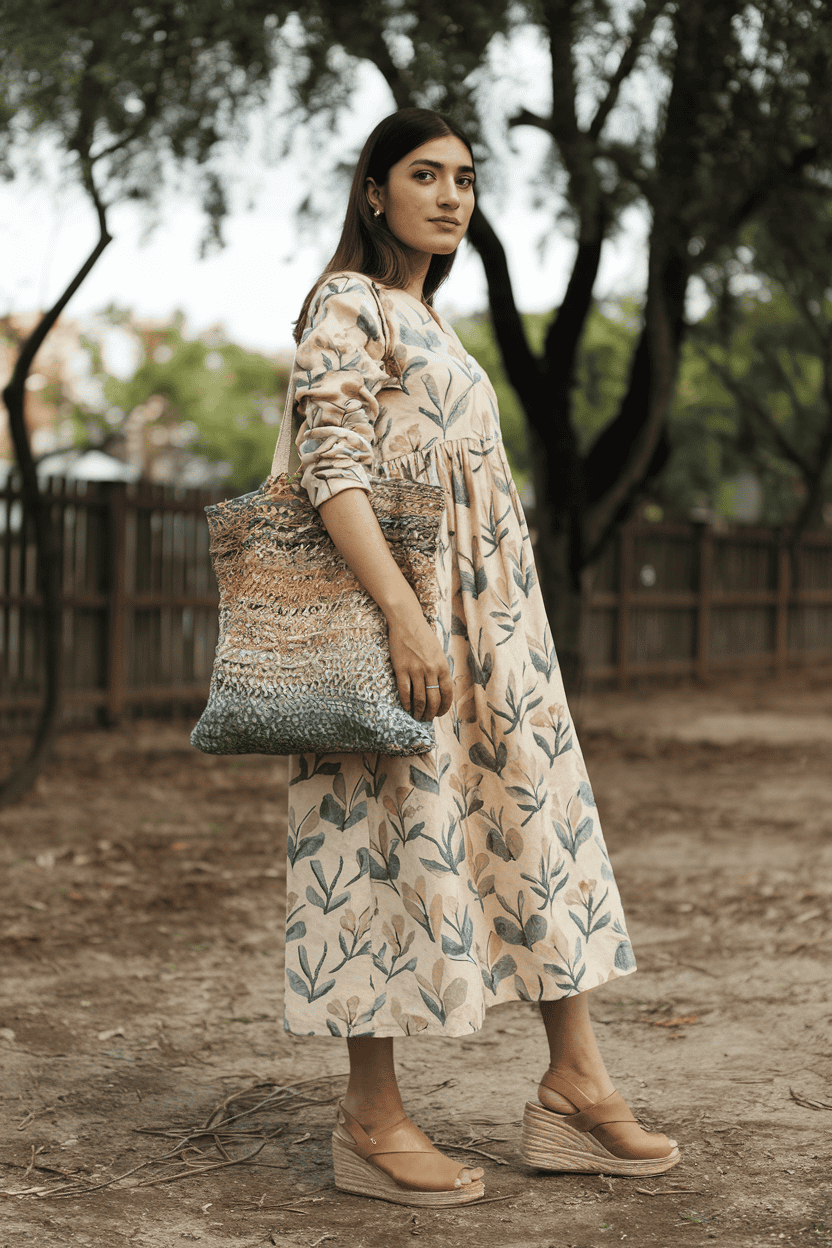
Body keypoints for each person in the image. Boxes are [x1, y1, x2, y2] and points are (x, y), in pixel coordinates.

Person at [284, 107, 679, 1207]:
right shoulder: (348, 305)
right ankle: (368, 1116)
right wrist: (407, 618)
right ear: (373, 193)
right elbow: (333, 470)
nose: (452, 194)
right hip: (401, 628)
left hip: (495, 631)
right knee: (381, 844)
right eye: (424, 174)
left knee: (534, 824)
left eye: (464, 177)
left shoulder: (429, 319)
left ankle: (574, 1082)